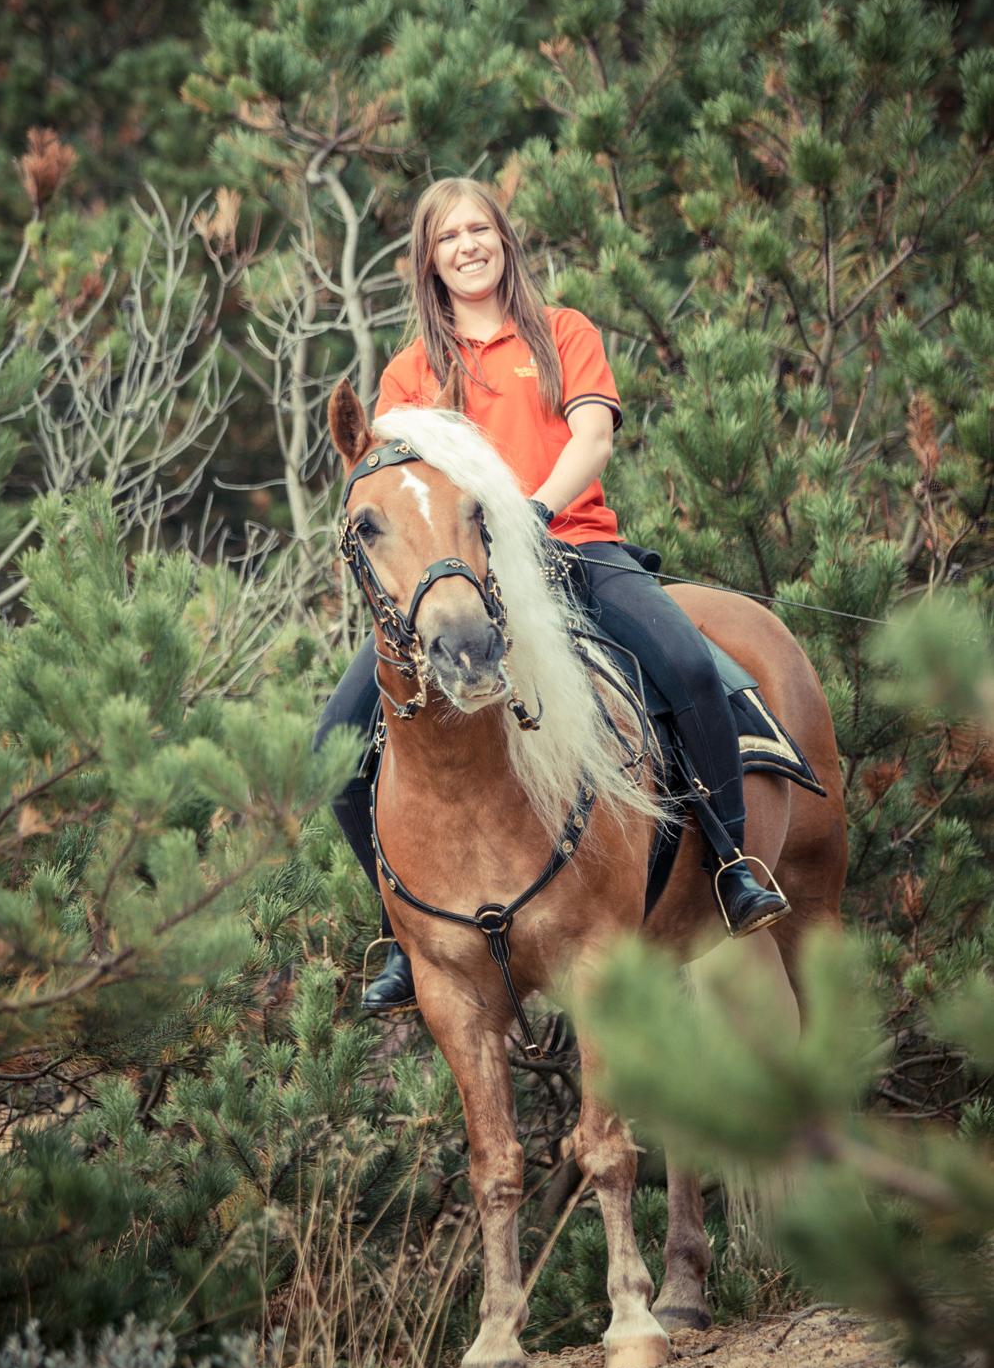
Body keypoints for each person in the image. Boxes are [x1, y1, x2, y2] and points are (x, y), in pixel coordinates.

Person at [316, 177, 790, 1014]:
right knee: (333, 744)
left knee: (686, 663)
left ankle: (729, 862)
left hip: (570, 541)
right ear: (426, 260)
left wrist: (530, 512)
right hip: (459, 581)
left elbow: (593, 434)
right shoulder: (411, 371)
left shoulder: (561, 331)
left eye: (480, 230)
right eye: (448, 236)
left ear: (504, 241)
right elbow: (393, 490)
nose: (467, 246)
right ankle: (398, 933)